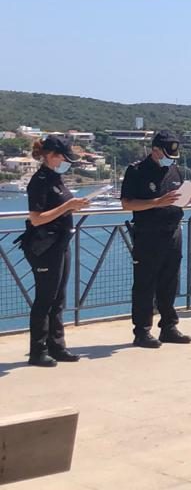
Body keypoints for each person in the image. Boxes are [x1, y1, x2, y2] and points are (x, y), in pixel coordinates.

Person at [121, 130, 191, 348]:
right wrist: (156, 202)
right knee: (145, 284)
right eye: (166, 154)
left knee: (170, 281)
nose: (169, 159)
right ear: (155, 150)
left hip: (173, 231)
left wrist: (188, 199)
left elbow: (175, 200)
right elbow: (127, 204)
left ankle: (169, 326)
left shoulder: (174, 170)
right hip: (148, 233)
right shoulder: (137, 171)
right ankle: (142, 331)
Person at [19, 136, 89, 367]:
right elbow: (37, 219)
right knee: (45, 299)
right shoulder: (39, 181)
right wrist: (68, 206)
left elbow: (60, 208)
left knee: (58, 298)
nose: (65, 162)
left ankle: (57, 346)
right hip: (44, 245)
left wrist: (74, 205)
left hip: (60, 243)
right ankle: (37, 351)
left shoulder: (56, 178)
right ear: (50, 155)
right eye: (63, 157)